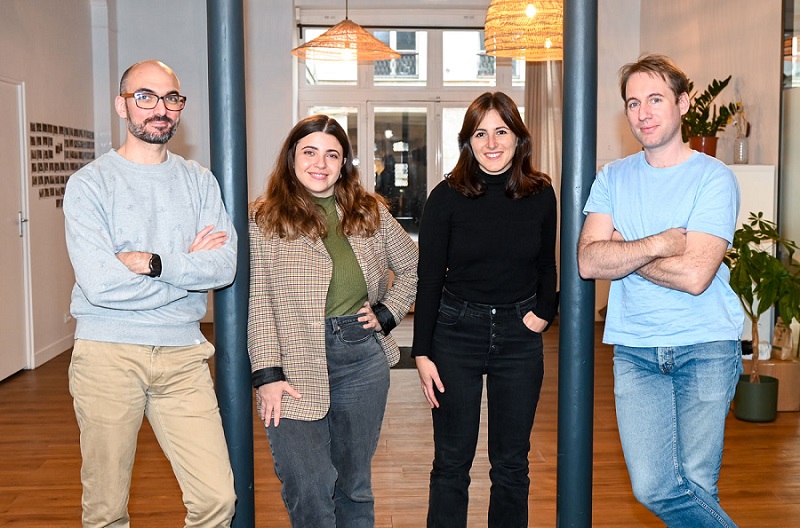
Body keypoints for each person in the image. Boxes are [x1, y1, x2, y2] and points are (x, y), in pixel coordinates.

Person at [63, 60, 237, 527]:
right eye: (146, 97)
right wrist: (185, 272)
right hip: (107, 354)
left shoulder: (199, 181)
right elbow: (99, 283)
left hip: (183, 355)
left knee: (217, 500)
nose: (160, 109)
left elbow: (222, 267)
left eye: (171, 98)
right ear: (122, 105)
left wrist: (153, 263)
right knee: (105, 510)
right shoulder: (89, 184)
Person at [577, 54, 743, 527]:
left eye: (654, 99)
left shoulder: (714, 178)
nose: (643, 112)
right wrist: (660, 244)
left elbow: (695, 276)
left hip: (706, 345)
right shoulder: (612, 177)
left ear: (682, 103)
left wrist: (625, 251)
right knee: (654, 487)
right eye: (633, 103)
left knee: (696, 486)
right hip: (635, 349)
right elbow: (588, 261)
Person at [248, 114, 418, 527]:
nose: (320, 163)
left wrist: (387, 312)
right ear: (292, 158)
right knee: (308, 487)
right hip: (292, 362)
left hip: (360, 359)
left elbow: (414, 268)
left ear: (344, 164)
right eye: (309, 152)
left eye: (332, 154)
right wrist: (267, 374)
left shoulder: (369, 212)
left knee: (353, 486)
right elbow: (259, 302)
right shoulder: (264, 218)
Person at [413, 91, 558, 528]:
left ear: (518, 138)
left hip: (519, 335)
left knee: (512, 464)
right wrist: (421, 352)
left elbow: (546, 265)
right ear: (468, 141)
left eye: (501, 131)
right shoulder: (445, 197)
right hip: (456, 333)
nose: (491, 142)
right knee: (452, 462)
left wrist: (544, 311)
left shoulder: (541, 194)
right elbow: (430, 278)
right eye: (481, 133)